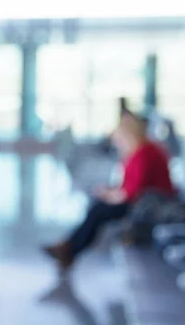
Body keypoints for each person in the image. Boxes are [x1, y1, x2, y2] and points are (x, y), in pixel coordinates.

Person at [43, 112, 174, 271]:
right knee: (97, 207)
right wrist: (110, 192)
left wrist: (110, 195)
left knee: (98, 210)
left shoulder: (144, 153)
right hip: (143, 200)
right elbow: (129, 185)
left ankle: (69, 248)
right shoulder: (139, 151)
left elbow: (133, 192)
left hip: (151, 204)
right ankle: (69, 247)